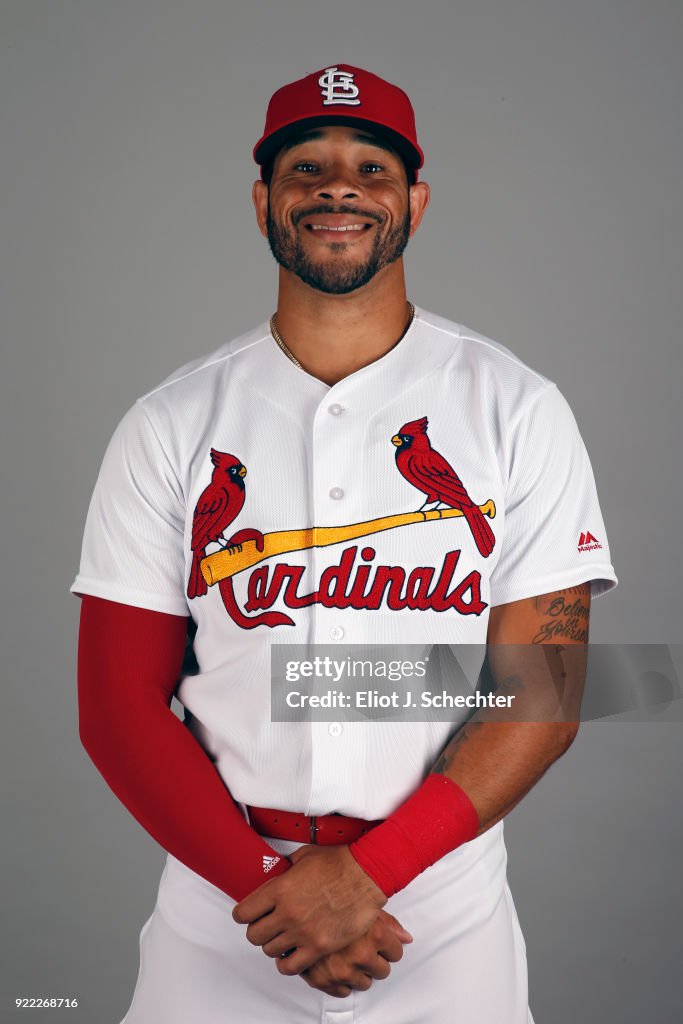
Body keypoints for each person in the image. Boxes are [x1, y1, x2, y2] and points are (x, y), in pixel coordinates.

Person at [73, 64, 618, 1023]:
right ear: (262, 203)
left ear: (414, 201)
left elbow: (544, 696)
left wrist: (371, 875)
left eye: (371, 168)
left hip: (439, 908)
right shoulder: (171, 422)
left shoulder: (515, 407)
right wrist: (273, 891)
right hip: (224, 907)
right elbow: (117, 707)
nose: (339, 187)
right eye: (306, 168)